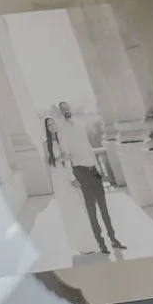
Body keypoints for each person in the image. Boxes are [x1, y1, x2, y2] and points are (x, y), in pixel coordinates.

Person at [48, 99, 127, 256]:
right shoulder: (62, 131)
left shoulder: (79, 125)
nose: (66, 110)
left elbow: (88, 148)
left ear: (70, 108)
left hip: (93, 171)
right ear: (60, 112)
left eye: (67, 107)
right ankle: (101, 243)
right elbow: (66, 156)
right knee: (92, 210)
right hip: (81, 172)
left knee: (104, 208)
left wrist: (98, 168)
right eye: (62, 109)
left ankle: (113, 239)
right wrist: (72, 177)